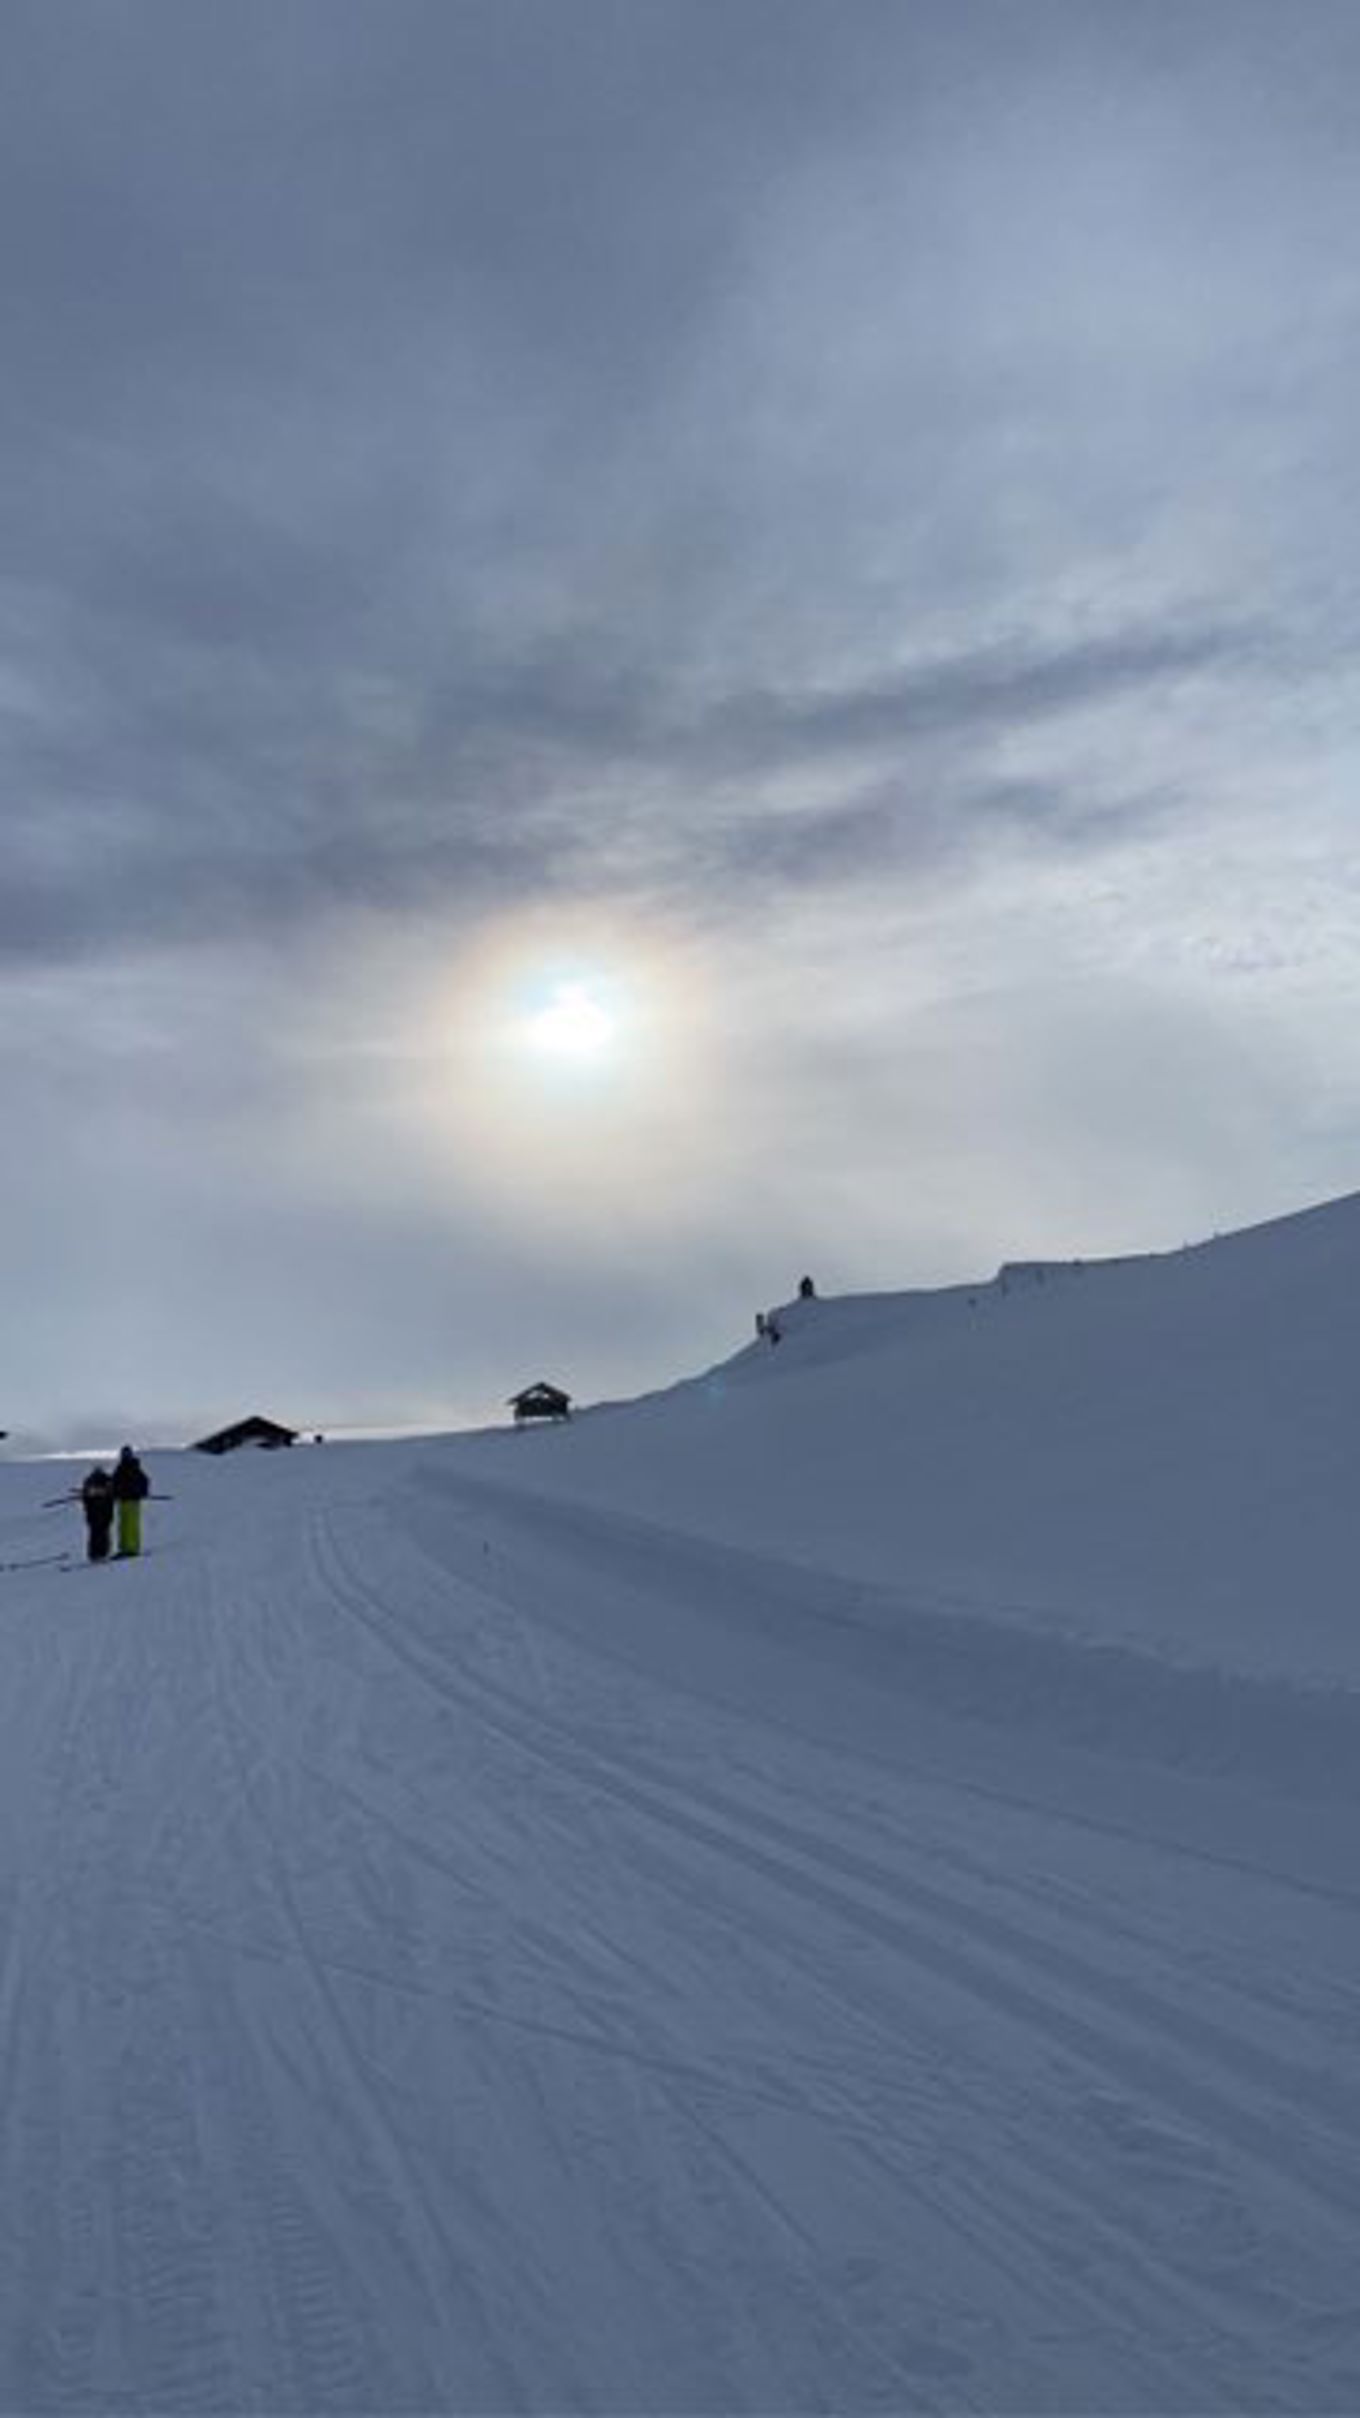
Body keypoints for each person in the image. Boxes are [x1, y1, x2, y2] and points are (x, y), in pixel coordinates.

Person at [111, 1445, 150, 1558]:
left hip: (132, 1500)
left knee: (131, 1524)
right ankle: (123, 1548)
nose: (125, 1456)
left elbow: (144, 1481)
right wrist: (114, 1493)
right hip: (122, 1500)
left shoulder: (134, 1467)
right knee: (123, 1525)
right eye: (123, 1454)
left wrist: (142, 1492)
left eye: (127, 1454)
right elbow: (114, 1482)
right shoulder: (119, 1468)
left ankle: (132, 1548)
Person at [80, 1466, 116, 1563]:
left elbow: (86, 1499)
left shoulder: (90, 1481)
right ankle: (102, 1553)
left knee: (96, 1533)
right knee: (102, 1533)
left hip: (96, 1513)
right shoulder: (107, 1481)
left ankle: (96, 1554)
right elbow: (111, 1497)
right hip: (102, 1512)